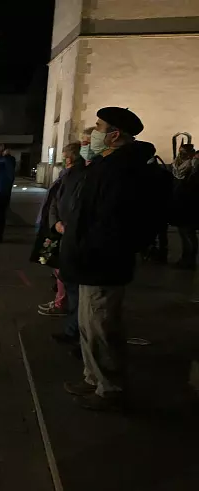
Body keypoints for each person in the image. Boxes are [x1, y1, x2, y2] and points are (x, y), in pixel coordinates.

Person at [59, 107, 153, 411]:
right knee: (89, 325)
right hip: (90, 261)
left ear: (114, 135)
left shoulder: (123, 170)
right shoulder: (107, 164)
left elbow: (112, 221)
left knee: (102, 326)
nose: (94, 133)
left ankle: (110, 389)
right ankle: (93, 377)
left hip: (102, 263)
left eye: (99, 127)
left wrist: (87, 248)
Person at [36, 143, 84, 332]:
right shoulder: (66, 175)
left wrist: (59, 222)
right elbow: (55, 200)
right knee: (55, 265)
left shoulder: (77, 175)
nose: (63, 159)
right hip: (55, 226)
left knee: (62, 268)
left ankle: (63, 305)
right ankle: (61, 301)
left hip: (64, 230)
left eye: (65, 156)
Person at [172, 144, 199, 270]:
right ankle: (185, 259)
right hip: (181, 206)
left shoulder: (193, 171)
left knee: (188, 235)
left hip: (190, 207)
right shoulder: (180, 168)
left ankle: (190, 260)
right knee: (184, 234)